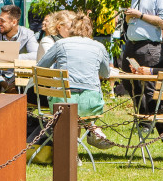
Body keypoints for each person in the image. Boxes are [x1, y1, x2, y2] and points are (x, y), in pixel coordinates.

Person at [36, 11, 114, 148]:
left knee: (71, 102)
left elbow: (41, 67)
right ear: (90, 30)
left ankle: (71, 148)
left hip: (61, 103)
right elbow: (105, 73)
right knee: (82, 103)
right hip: (91, 106)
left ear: (72, 28)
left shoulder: (61, 44)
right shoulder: (99, 46)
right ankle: (91, 133)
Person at [0, 4, 39, 91]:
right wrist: (2, 82)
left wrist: (12, 57)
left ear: (14, 22)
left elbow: (36, 55)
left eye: (2, 21)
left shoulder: (27, 34)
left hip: (18, 79)